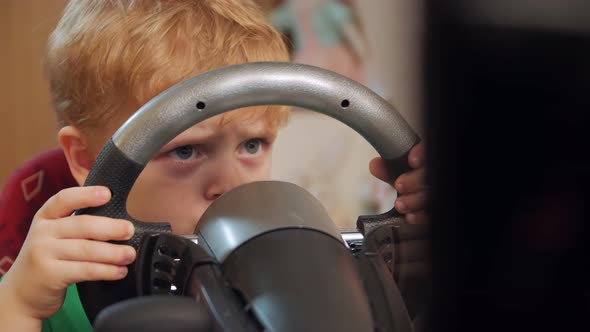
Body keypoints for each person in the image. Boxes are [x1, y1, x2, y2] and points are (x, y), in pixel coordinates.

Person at [0, 0, 426, 331]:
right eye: (186, 152)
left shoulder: (319, 274)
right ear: (89, 159)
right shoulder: (50, 294)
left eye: (253, 144)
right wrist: (17, 306)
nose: (230, 185)